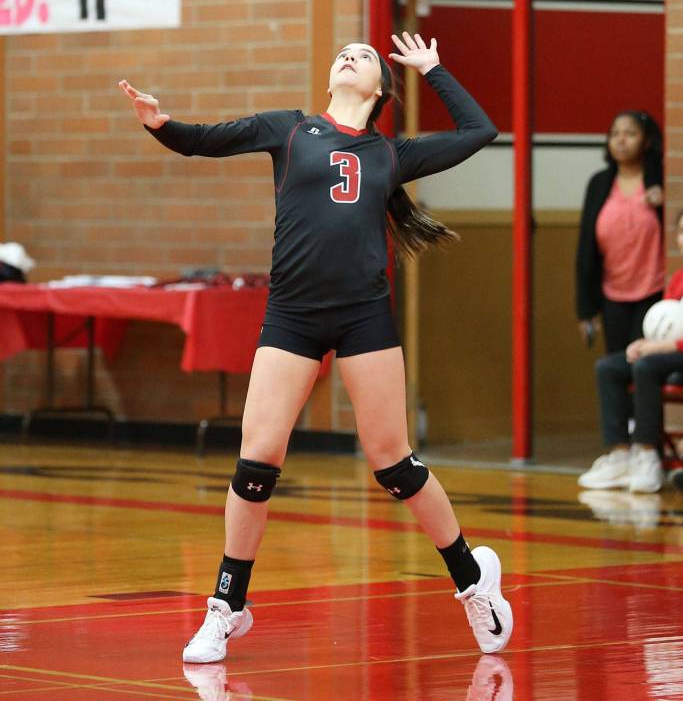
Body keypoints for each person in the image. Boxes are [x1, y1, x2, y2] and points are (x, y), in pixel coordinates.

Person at [119, 32, 513, 662]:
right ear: (330, 80)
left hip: (362, 318)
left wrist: (434, 69)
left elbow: (478, 130)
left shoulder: (391, 153)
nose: (350, 56)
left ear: (381, 88)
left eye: (365, 56)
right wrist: (159, 123)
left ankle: (472, 581)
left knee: (394, 465)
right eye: (342, 54)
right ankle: (227, 606)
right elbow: (205, 139)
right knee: (256, 464)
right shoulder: (290, 130)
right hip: (293, 317)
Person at [578, 210, 683, 494]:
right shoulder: (678, 280)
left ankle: (647, 453)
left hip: (677, 354)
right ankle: (621, 454)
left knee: (646, 368)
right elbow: (665, 323)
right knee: (610, 367)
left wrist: (660, 347)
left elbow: (671, 340)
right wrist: (643, 343)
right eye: (682, 232)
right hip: (669, 352)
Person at [576, 109, 664, 354]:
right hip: (612, 294)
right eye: (615, 134)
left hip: (655, 292)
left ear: (646, 141)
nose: (621, 140)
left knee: (644, 365)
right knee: (616, 364)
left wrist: (665, 202)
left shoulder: (661, 180)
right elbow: (585, 247)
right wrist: (586, 310)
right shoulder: (600, 183)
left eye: (630, 134)